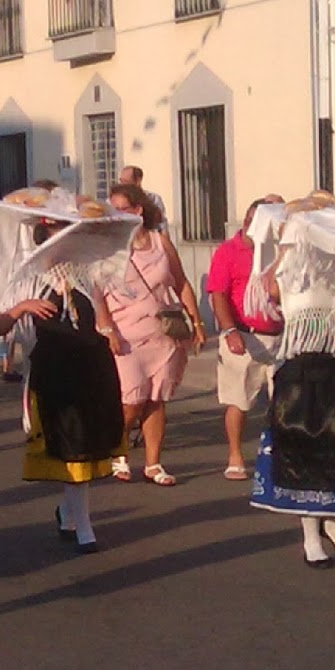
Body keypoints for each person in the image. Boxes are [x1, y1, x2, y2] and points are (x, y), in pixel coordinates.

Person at [0, 218, 125, 553]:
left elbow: (100, 317)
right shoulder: (29, 280)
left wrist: (110, 336)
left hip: (89, 369)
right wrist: (22, 307)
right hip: (52, 373)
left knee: (87, 448)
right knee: (70, 447)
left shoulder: (84, 276)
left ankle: (69, 513)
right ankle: (84, 528)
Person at [248, 228, 335, 567]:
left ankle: (334, 522)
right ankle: (311, 536)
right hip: (300, 369)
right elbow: (270, 290)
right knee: (304, 448)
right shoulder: (290, 268)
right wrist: (284, 248)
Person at [104, 185, 205, 484]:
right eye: (111, 209)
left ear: (138, 211)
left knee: (156, 398)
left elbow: (181, 282)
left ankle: (153, 463)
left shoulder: (161, 242)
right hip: (125, 334)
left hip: (163, 332)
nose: (114, 215)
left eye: (120, 209)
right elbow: (97, 294)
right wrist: (106, 330)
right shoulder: (107, 248)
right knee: (131, 400)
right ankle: (118, 453)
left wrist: (196, 322)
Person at [207, 197, 286, 480]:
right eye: (250, 221)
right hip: (243, 333)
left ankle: (280, 453)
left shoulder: (279, 250)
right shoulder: (228, 251)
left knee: (284, 401)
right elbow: (218, 293)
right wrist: (229, 330)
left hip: (280, 336)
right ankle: (235, 454)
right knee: (238, 399)